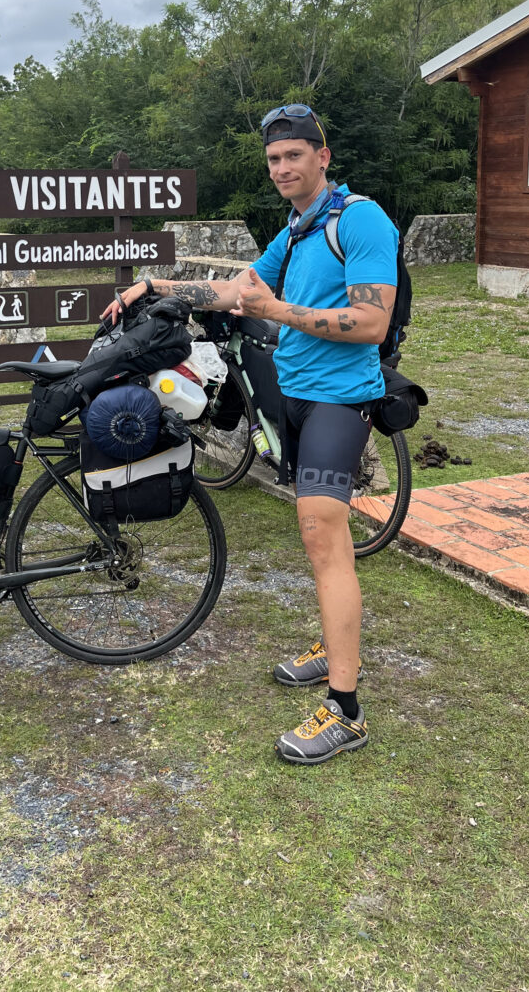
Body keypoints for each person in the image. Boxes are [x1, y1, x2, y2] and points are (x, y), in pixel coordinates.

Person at [103, 104, 398, 764]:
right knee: (322, 538)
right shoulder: (294, 230)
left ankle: (346, 712)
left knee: (321, 531)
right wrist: (153, 286)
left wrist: (278, 311)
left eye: (293, 155)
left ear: (322, 156)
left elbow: (371, 323)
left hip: (338, 401)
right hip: (290, 399)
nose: (282, 168)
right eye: (272, 160)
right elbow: (234, 290)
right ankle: (334, 645)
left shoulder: (360, 220)